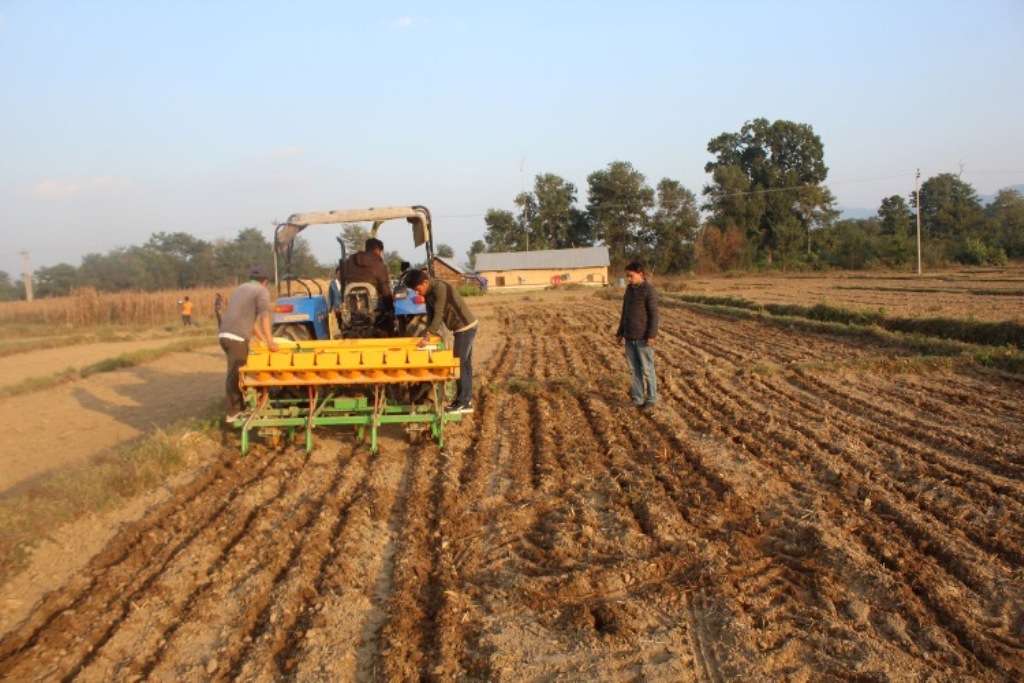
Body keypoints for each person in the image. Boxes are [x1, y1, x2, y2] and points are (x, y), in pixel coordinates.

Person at [404, 269, 477, 413]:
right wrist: (427, 334)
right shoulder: (429, 293)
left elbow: (439, 314)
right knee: (465, 364)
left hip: (465, 327)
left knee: (458, 363)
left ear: (425, 282)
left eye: (417, 289)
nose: (417, 293)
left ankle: (463, 402)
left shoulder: (440, 288)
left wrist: (427, 337)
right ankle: (465, 400)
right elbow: (430, 317)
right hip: (459, 329)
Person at [219, 265, 279, 423]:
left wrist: (261, 339)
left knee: (239, 371)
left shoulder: (240, 288)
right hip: (236, 337)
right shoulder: (262, 291)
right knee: (236, 373)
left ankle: (243, 407)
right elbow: (264, 317)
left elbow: (251, 320)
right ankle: (233, 412)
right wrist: (271, 342)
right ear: (265, 281)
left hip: (224, 335)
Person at [615, 261, 658, 409]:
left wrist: (652, 335)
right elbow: (625, 313)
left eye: (631, 276)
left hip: (643, 338)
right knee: (634, 371)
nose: (628, 279)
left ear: (640, 274)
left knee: (647, 369)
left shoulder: (649, 290)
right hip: (629, 337)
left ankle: (651, 398)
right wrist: (620, 332)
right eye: (627, 276)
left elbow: (654, 314)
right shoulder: (629, 290)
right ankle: (637, 398)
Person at [345, 237, 394, 333]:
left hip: (352, 307)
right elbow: (385, 288)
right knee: (388, 315)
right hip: (375, 309)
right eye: (380, 252)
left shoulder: (349, 262)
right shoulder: (379, 265)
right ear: (377, 250)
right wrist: (390, 307)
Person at [327, 266, 343, 336]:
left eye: (341, 274)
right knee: (339, 320)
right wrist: (329, 308)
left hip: (345, 306)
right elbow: (330, 296)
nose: (339, 275)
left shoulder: (346, 282)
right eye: (338, 273)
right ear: (336, 274)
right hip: (337, 306)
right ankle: (341, 330)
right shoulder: (332, 284)